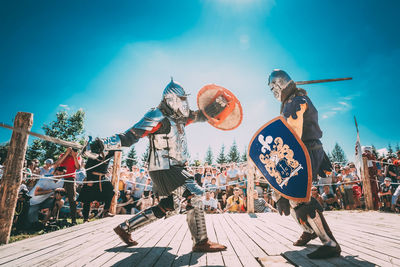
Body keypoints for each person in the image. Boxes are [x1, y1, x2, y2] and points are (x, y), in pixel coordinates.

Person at [85, 78, 226, 252]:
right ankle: (201, 241)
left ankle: (125, 228)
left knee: (169, 205)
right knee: (195, 194)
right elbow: (131, 135)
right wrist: (103, 143)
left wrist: (219, 105)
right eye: (182, 99)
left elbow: (200, 116)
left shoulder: (181, 118)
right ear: (171, 99)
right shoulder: (157, 115)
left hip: (173, 168)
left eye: (185, 99)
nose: (184, 103)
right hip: (164, 168)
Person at [267, 69, 341, 259]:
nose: (272, 92)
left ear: (280, 84)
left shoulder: (295, 102)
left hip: (304, 151)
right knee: (283, 194)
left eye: (273, 87)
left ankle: (330, 243)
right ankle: (308, 230)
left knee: (299, 196)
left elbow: (293, 134)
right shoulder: (292, 101)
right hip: (304, 149)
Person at [77, 152, 115, 222]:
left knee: (111, 191)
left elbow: (115, 150)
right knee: (87, 198)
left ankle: (105, 212)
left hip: (102, 178)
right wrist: (89, 179)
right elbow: (88, 167)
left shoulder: (108, 155)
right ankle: (85, 218)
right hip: (92, 178)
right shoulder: (94, 154)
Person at [54, 147, 81, 225]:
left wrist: (74, 156)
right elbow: (57, 164)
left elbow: (78, 167)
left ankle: (73, 220)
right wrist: (66, 153)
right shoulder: (63, 155)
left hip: (71, 179)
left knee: (72, 199)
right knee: (57, 197)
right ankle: (54, 218)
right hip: (61, 176)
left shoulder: (77, 156)